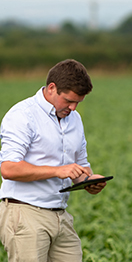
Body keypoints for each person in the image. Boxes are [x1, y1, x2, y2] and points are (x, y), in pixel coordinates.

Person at [0, 59, 107, 262]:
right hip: (25, 213)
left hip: (61, 216)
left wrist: (89, 181)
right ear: (51, 88)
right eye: (68, 100)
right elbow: (9, 168)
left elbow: (80, 166)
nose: (73, 108)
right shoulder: (22, 115)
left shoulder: (74, 119)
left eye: (78, 102)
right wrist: (58, 171)